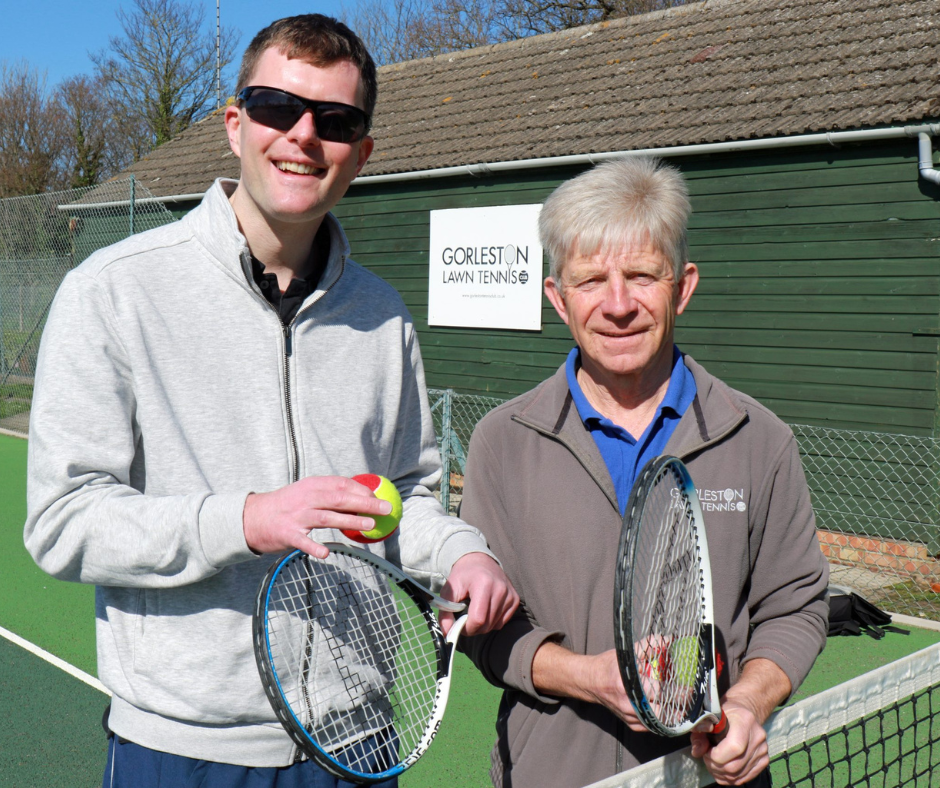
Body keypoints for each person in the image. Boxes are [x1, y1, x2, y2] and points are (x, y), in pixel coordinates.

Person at [24, 14, 518, 788]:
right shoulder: (113, 291)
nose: (302, 135)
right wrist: (246, 519)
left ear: (361, 153)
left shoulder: (382, 314)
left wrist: (462, 552)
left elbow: (405, 496)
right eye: (277, 107)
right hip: (184, 749)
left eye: (336, 120)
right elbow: (64, 523)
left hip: (357, 742)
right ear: (235, 124)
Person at [460, 157, 829, 788]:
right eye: (590, 281)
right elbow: (482, 631)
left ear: (682, 286)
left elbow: (796, 607)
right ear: (557, 298)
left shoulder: (758, 438)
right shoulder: (502, 442)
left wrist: (746, 704)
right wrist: (585, 677)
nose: (619, 304)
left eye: (641, 276)